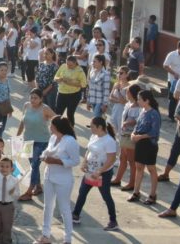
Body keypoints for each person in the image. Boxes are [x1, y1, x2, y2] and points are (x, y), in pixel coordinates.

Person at [34, 116, 79, 244]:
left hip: (63, 180)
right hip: (49, 176)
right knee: (48, 206)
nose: (50, 127)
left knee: (64, 209)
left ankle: (68, 239)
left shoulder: (70, 141)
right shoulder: (53, 138)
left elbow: (75, 161)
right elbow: (48, 151)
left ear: (57, 127)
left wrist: (57, 161)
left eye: (52, 125)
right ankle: (45, 235)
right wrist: (43, 156)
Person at [71, 117, 119, 231]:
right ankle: (75, 215)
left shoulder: (109, 141)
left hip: (103, 174)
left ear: (100, 127)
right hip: (90, 172)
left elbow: (111, 159)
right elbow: (89, 150)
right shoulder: (93, 136)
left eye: (92, 126)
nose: (90, 129)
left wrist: (100, 171)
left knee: (106, 196)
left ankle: (113, 221)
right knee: (82, 192)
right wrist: (84, 162)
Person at [16, 88, 56, 202]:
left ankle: (29, 191)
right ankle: (38, 186)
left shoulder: (45, 109)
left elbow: (57, 120)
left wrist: (56, 135)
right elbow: (23, 121)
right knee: (34, 165)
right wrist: (18, 135)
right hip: (27, 140)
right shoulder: (26, 105)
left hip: (42, 141)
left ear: (41, 99)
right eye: (31, 97)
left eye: (36, 98)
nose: (33, 100)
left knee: (34, 165)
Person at [128, 90, 161, 205]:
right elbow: (137, 125)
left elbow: (154, 132)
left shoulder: (154, 114)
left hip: (149, 144)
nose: (138, 101)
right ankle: (136, 191)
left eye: (140, 99)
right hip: (140, 143)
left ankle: (152, 194)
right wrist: (133, 134)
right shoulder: (142, 111)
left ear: (147, 100)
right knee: (139, 167)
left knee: (151, 169)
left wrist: (139, 137)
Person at [112, 84, 142, 190]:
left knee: (131, 160)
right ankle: (118, 179)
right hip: (124, 135)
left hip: (131, 136)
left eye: (128, 92)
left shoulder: (139, 107)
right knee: (122, 158)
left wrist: (129, 122)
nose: (126, 94)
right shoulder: (128, 104)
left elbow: (138, 120)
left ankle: (131, 183)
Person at [54, 56, 87, 128]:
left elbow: (84, 84)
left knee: (70, 113)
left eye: (70, 65)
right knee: (58, 113)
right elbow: (55, 77)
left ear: (75, 63)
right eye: (67, 64)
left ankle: (71, 130)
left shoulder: (80, 71)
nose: (68, 66)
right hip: (62, 93)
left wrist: (70, 82)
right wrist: (59, 79)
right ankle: (56, 129)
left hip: (74, 95)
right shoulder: (63, 66)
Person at [87, 55, 110, 121]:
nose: (92, 63)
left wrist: (104, 104)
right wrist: (88, 101)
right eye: (92, 61)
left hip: (100, 102)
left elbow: (106, 90)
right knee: (99, 120)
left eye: (94, 61)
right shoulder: (92, 72)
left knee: (96, 120)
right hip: (93, 100)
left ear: (101, 62)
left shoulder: (106, 74)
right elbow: (89, 88)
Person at [108, 67, 129, 136]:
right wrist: (118, 101)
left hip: (123, 110)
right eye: (117, 73)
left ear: (126, 74)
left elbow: (125, 102)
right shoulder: (116, 84)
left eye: (121, 73)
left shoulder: (128, 87)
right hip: (115, 109)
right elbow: (110, 97)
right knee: (112, 129)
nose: (118, 75)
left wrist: (119, 91)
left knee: (120, 131)